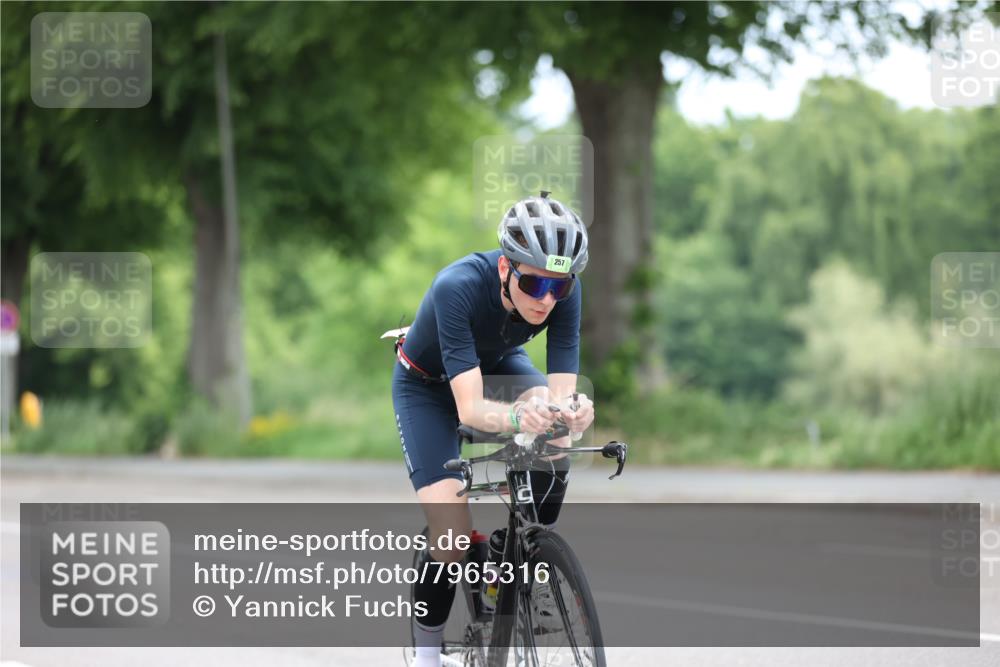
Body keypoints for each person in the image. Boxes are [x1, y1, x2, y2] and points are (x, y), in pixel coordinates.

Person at [391, 192, 595, 666]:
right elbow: (468, 410)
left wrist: (575, 412)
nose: (546, 298)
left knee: (556, 425)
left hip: (498, 365)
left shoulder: (564, 291)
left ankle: (524, 548)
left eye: (558, 288)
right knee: (452, 536)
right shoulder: (456, 286)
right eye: (534, 283)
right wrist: (521, 418)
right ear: (505, 268)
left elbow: (563, 394)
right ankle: (425, 655)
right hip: (430, 389)